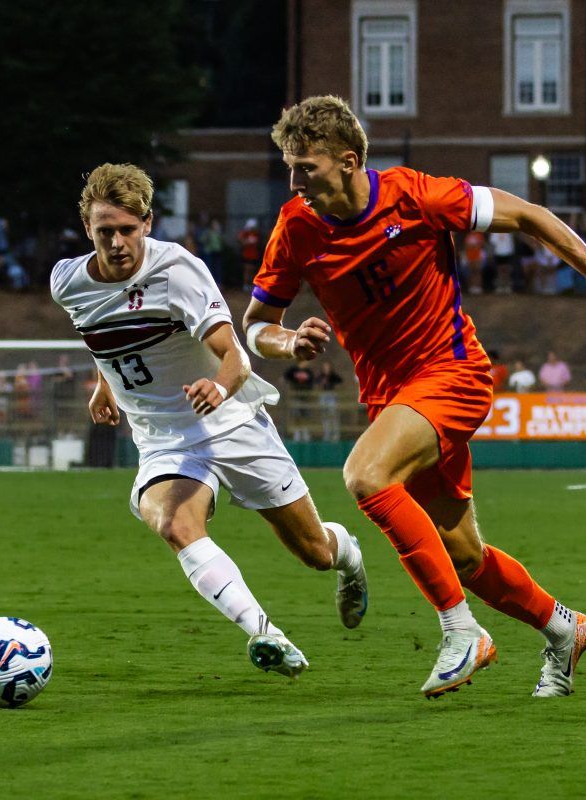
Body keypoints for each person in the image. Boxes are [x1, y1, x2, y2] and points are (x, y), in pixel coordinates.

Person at [243, 95, 586, 698]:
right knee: (464, 555)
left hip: (454, 374)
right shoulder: (296, 226)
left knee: (365, 474)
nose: (294, 180)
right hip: (395, 400)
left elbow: (529, 215)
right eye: (289, 166)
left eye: (306, 167)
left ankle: (461, 631)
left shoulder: (416, 195)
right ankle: (564, 629)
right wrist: (286, 344)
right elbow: (257, 323)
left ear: (349, 160)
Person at [50, 162, 368, 681]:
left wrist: (218, 386)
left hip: (230, 421)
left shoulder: (178, 272)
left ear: (147, 224)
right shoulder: (67, 282)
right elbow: (101, 334)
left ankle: (349, 558)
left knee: (314, 551)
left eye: (126, 230)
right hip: (162, 439)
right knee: (175, 523)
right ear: (88, 229)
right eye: (104, 231)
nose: (116, 243)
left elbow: (237, 358)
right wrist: (105, 384)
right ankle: (265, 632)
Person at [237, 218, 262, 291]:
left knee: (253, 271)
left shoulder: (256, 234)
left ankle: (251, 285)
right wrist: (248, 242)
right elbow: (240, 241)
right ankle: (246, 285)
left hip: (254, 255)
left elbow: (258, 242)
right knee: (247, 270)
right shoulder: (245, 233)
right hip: (246, 255)